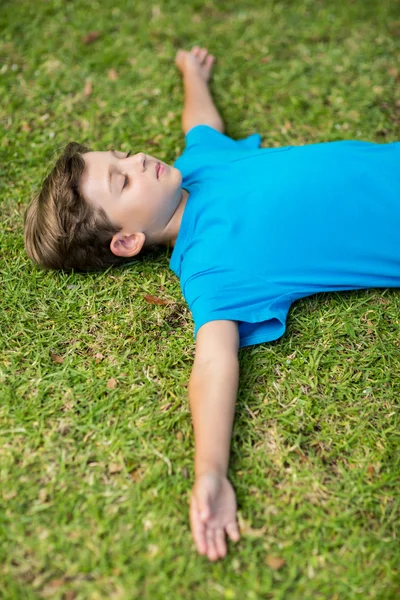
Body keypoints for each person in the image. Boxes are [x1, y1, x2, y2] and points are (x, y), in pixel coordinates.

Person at [24, 46, 400, 562]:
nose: (136, 160)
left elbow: (200, 126)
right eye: (122, 179)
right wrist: (210, 473)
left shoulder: (199, 165)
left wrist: (191, 75)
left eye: (120, 155)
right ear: (128, 241)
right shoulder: (211, 269)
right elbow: (214, 364)